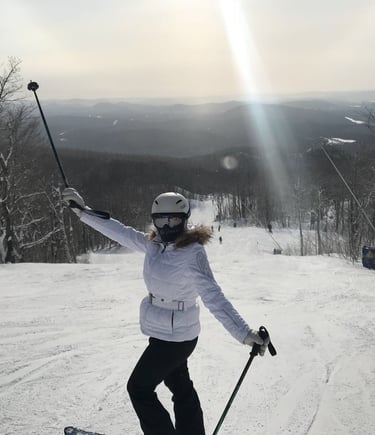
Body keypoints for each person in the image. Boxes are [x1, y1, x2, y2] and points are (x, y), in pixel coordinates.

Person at [62, 188, 269, 435]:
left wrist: (245, 334)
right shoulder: (154, 244)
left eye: (173, 219)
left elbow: (214, 296)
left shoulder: (192, 253)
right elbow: (120, 232)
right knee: (180, 387)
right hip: (162, 330)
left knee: (138, 388)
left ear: (184, 220)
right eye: (161, 219)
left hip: (177, 338)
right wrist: (82, 212)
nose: (167, 225)